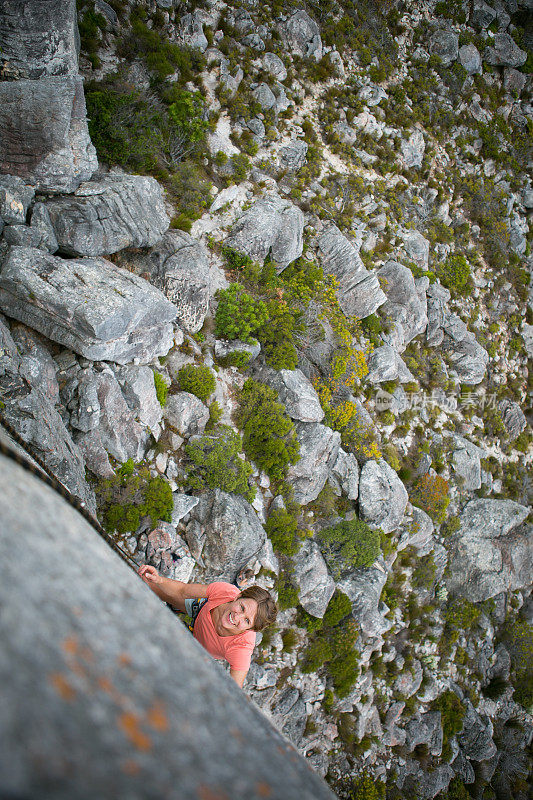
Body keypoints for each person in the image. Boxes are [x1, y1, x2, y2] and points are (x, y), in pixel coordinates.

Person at [138, 565, 277, 688]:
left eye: (246, 620)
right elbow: (183, 590)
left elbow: (235, 691)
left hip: (197, 646)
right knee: (150, 585)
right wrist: (159, 580)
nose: (237, 617)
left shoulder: (240, 648)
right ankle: (176, 606)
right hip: (201, 610)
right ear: (238, 596)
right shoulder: (225, 592)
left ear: (250, 629)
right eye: (242, 607)